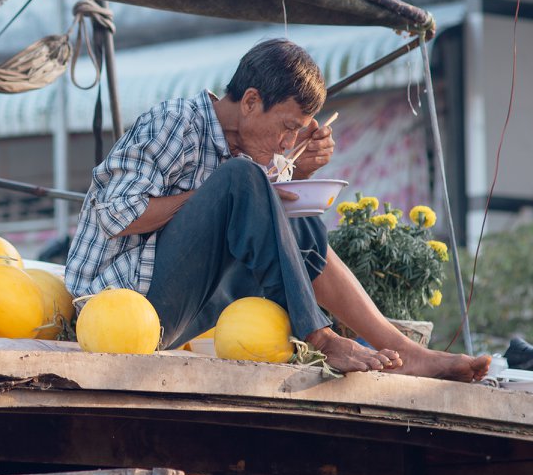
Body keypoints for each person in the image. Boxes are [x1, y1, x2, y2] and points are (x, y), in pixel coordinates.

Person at [65, 38, 490, 381]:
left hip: (186, 310)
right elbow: (118, 216)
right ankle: (320, 338)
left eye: (297, 133)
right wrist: (218, 191)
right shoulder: (176, 122)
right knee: (241, 179)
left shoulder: (250, 152)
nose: (288, 143)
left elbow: (270, 237)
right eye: (287, 128)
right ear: (250, 101)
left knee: (292, 216)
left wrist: (296, 176)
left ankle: (404, 349)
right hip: (123, 310)